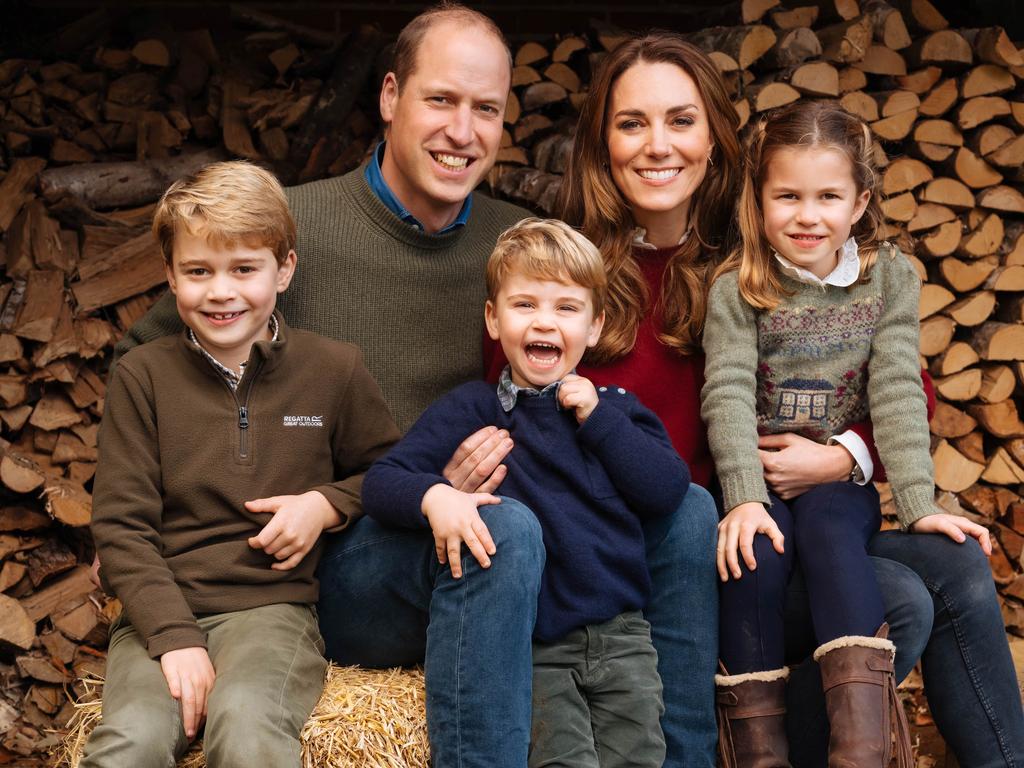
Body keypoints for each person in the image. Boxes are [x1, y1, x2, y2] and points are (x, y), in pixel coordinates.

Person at [553, 32, 1024, 768]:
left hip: (795, 506)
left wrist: (843, 457)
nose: (658, 145)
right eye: (631, 122)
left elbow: (909, 384)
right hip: (687, 542)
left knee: (955, 566)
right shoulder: (570, 273)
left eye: (680, 120)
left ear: (714, 137)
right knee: (899, 598)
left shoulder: (759, 248)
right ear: (601, 140)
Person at [83, 161, 400, 768]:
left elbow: (386, 472)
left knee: (249, 729)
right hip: (158, 614)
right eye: (198, 271)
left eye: (244, 269)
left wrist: (325, 504)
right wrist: (174, 639)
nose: (221, 291)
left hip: (272, 612)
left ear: (284, 270)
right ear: (170, 276)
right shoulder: (142, 376)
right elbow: (121, 526)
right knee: (130, 742)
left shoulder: (334, 370)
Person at [702, 101, 981, 766]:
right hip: (758, 477)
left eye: (828, 196)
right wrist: (741, 495)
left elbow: (896, 390)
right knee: (753, 556)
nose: (807, 215)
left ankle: (860, 747)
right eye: (788, 196)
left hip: (833, 478)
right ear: (759, 201)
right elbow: (729, 390)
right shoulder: (738, 287)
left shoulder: (888, 279)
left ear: (859, 204)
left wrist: (919, 503)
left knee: (831, 533)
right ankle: (756, 751)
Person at [364, 218, 687, 767]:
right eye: (525, 305)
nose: (545, 322)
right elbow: (382, 483)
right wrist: (438, 496)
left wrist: (598, 420)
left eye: (566, 308)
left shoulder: (616, 411)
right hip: (537, 646)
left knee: (639, 757)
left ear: (594, 326)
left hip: (623, 638)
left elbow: (666, 490)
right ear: (494, 319)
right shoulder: (472, 409)